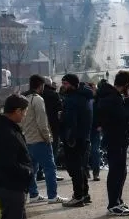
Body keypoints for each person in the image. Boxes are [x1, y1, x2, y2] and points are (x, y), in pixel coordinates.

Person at [21, 74, 66, 204]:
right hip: (40, 139)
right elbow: (42, 122)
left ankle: (34, 194)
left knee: (32, 169)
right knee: (50, 168)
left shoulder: (24, 99)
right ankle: (52, 196)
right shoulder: (38, 99)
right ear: (41, 86)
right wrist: (48, 138)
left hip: (27, 139)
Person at [97, 70, 129, 216]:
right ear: (126, 84)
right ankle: (113, 204)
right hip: (115, 139)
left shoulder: (113, 96)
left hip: (119, 139)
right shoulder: (112, 97)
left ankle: (118, 200)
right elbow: (125, 115)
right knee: (115, 172)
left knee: (121, 171)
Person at [60, 74, 94, 207]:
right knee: (82, 167)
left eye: (66, 84)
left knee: (74, 168)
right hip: (84, 137)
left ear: (73, 84)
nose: (64, 86)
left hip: (74, 139)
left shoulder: (72, 99)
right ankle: (84, 194)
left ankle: (78, 196)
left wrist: (69, 137)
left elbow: (72, 121)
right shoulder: (86, 96)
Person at [41, 77, 64, 170]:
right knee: (53, 150)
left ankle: (40, 172)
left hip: (39, 126)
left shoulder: (37, 95)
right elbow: (60, 110)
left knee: (41, 150)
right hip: (53, 126)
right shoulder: (54, 95)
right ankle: (52, 171)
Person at [89, 83, 103, 181]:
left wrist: (101, 125)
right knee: (85, 152)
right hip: (85, 129)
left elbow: (104, 113)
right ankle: (85, 172)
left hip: (95, 129)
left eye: (93, 89)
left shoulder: (99, 100)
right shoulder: (84, 100)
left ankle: (96, 173)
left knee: (95, 151)